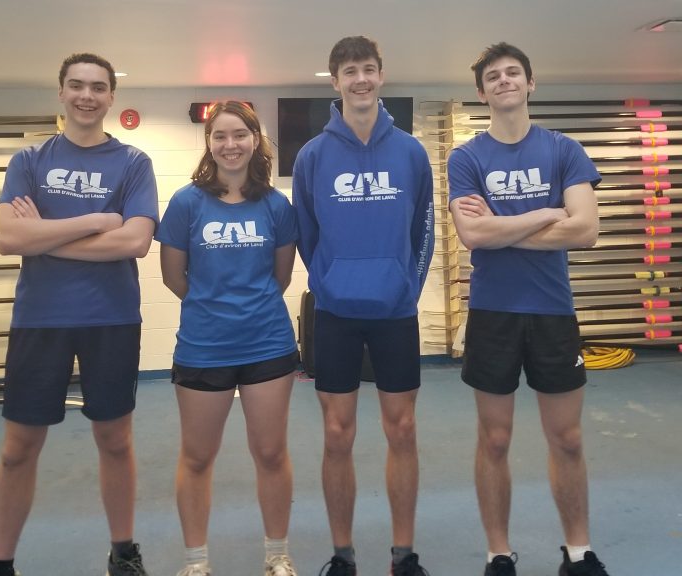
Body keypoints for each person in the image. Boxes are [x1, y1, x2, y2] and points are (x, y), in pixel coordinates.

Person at [0, 52, 158, 576]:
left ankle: (124, 553)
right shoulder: (28, 161)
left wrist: (46, 238)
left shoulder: (133, 163)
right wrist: (98, 219)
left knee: (115, 440)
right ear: (60, 92)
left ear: (110, 97)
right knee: (18, 448)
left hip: (111, 318)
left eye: (98, 87)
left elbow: (136, 241)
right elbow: (9, 237)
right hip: (40, 319)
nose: (87, 95)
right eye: (77, 85)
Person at [447, 42, 609, 576]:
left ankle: (579, 551)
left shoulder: (564, 151)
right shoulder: (467, 158)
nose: (504, 81)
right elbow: (471, 233)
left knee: (567, 437)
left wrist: (500, 229)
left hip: (551, 312)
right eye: (493, 76)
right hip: (493, 314)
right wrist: (544, 212)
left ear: (530, 83)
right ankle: (498, 553)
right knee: (494, 439)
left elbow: (585, 229)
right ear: (482, 91)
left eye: (513, 72)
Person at [292, 36, 435, 576]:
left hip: (396, 311)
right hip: (336, 313)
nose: (360, 79)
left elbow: (424, 226)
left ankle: (404, 554)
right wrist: (327, 281)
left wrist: (409, 286)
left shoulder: (411, 151)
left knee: (402, 431)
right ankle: (343, 554)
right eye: (349, 71)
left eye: (369, 69)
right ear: (334, 81)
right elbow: (305, 230)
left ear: (381, 76)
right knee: (337, 434)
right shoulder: (312, 155)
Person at [156, 101, 299, 576]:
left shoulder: (277, 205)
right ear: (209, 143)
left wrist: (245, 306)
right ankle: (196, 562)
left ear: (255, 140)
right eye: (220, 136)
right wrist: (213, 306)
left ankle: (277, 555)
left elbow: (279, 278)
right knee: (197, 457)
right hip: (203, 346)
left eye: (239, 134)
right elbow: (174, 277)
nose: (230, 144)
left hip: (267, 345)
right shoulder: (185, 203)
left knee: (271, 453)